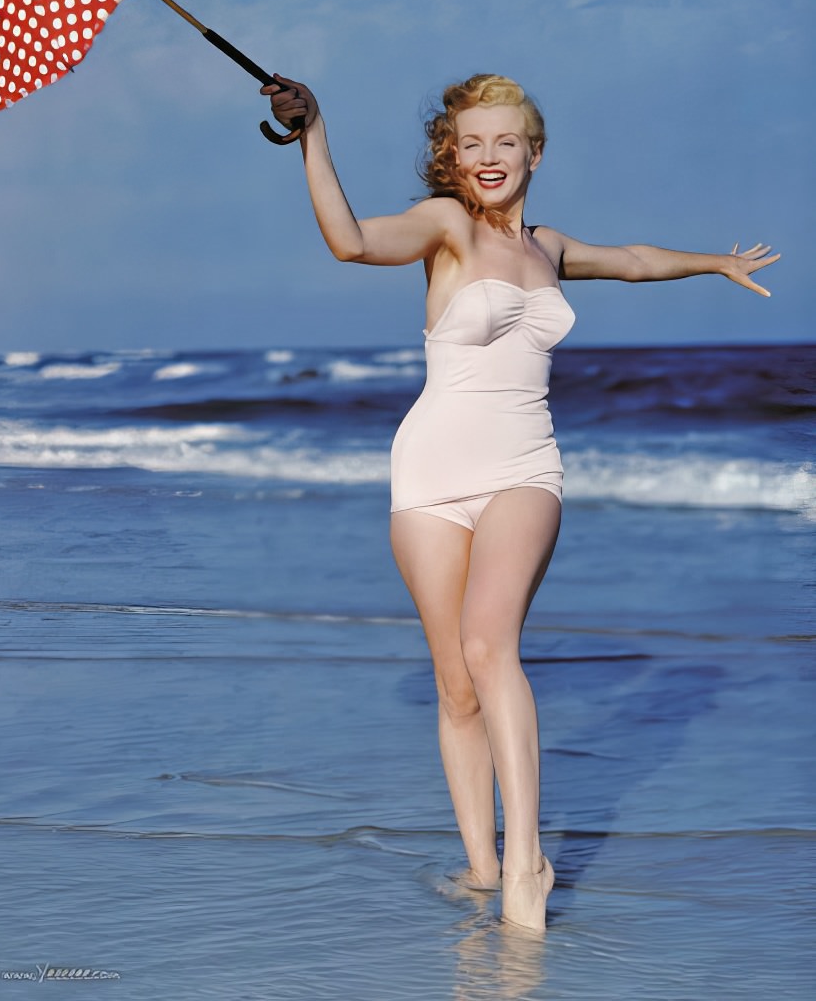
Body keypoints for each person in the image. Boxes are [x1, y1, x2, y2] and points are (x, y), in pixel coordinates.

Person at [260, 72, 779, 933]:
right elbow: (349, 242)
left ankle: (526, 863)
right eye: (472, 143)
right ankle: (480, 865)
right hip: (428, 473)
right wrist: (313, 130)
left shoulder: (550, 247)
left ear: (535, 152)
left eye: (506, 141)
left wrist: (714, 263)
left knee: (488, 644)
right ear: (452, 156)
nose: (489, 156)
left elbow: (634, 261)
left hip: (524, 467)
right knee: (455, 684)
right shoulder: (447, 226)